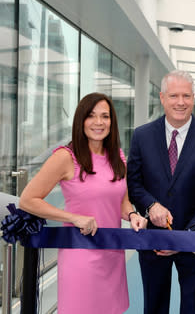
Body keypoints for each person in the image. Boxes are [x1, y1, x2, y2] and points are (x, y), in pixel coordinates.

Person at [19, 92, 146, 314]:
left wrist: (133, 215)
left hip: (112, 254)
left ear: (112, 122)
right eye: (91, 116)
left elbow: (123, 202)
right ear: (81, 121)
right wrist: (73, 217)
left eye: (105, 116)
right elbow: (28, 200)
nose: (99, 122)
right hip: (81, 256)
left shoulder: (117, 155)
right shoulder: (65, 157)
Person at [127, 70, 195, 314]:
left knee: (194, 307)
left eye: (186, 96)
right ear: (162, 98)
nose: (180, 102)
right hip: (152, 240)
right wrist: (151, 206)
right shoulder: (141, 136)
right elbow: (134, 184)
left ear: (193, 97)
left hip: (192, 242)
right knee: (155, 305)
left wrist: (183, 238)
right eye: (174, 96)